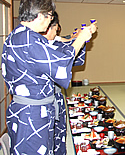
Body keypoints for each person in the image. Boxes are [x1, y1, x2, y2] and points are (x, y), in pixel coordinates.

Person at [2, 0, 96, 155]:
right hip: (31, 113)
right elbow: (60, 64)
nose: (51, 21)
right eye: (50, 17)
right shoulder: (29, 39)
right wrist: (81, 39)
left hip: (27, 109)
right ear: (40, 15)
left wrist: (75, 40)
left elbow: (55, 56)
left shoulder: (19, 35)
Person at [41, 12, 88, 155]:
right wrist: (79, 39)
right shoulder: (41, 46)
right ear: (48, 27)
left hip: (53, 98)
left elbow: (61, 39)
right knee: (50, 136)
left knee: (59, 133)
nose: (56, 34)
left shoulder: (45, 41)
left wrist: (75, 38)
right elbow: (64, 63)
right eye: (55, 29)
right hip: (43, 103)